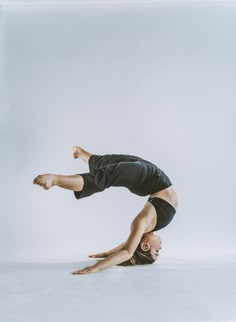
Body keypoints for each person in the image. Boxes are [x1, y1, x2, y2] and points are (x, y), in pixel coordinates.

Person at [33, 146, 178, 275]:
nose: (160, 248)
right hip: (150, 180)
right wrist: (107, 253)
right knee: (110, 163)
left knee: (105, 176)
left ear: (145, 246)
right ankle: (81, 153)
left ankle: (55, 179)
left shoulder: (141, 223)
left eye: (156, 251)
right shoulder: (146, 226)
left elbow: (127, 251)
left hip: (148, 178)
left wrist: (96, 267)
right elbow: (128, 245)